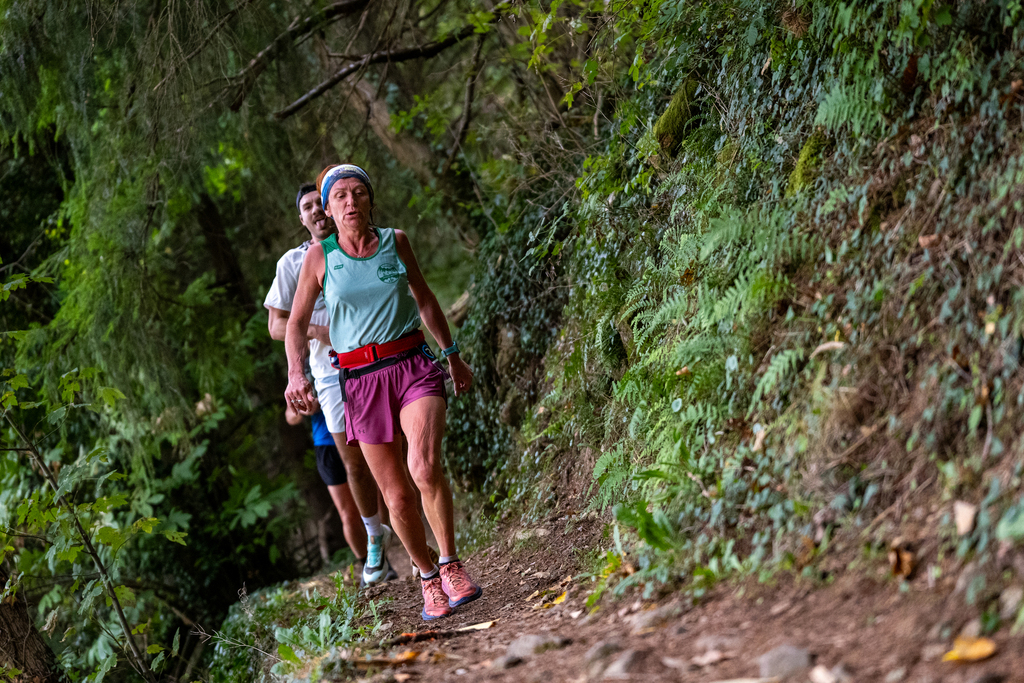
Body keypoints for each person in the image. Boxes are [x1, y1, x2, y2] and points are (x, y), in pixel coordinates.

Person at [284, 164, 481, 620]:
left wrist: (452, 354)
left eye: (358, 193)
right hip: (360, 382)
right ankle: (427, 576)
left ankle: (451, 565)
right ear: (328, 209)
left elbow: (425, 299)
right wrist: (296, 374)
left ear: (371, 200)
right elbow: (294, 324)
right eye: (340, 196)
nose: (351, 201)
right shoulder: (319, 258)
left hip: (412, 364)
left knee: (424, 467)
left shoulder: (396, 241)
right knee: (396, 497)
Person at [266, 184, 396, 585]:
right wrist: (317, 332)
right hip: (330, 375)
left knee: (392, 456)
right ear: (302, 218)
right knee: (354, 463)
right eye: (306, 207)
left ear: (329, 208)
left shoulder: (361, 245)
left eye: (318, 204)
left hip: (378, 361)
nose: (315, 211)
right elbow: (276, 325)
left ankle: (413, 541)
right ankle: (374, 539)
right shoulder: (294, 262)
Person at [284, 402, 365, 567]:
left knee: (375, 500)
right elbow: (290, 417)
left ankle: (385, 553)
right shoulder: (300, 383)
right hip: (326, 446)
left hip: (356, 432)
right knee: (348, 514)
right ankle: (368, 565)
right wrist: (305, 407)